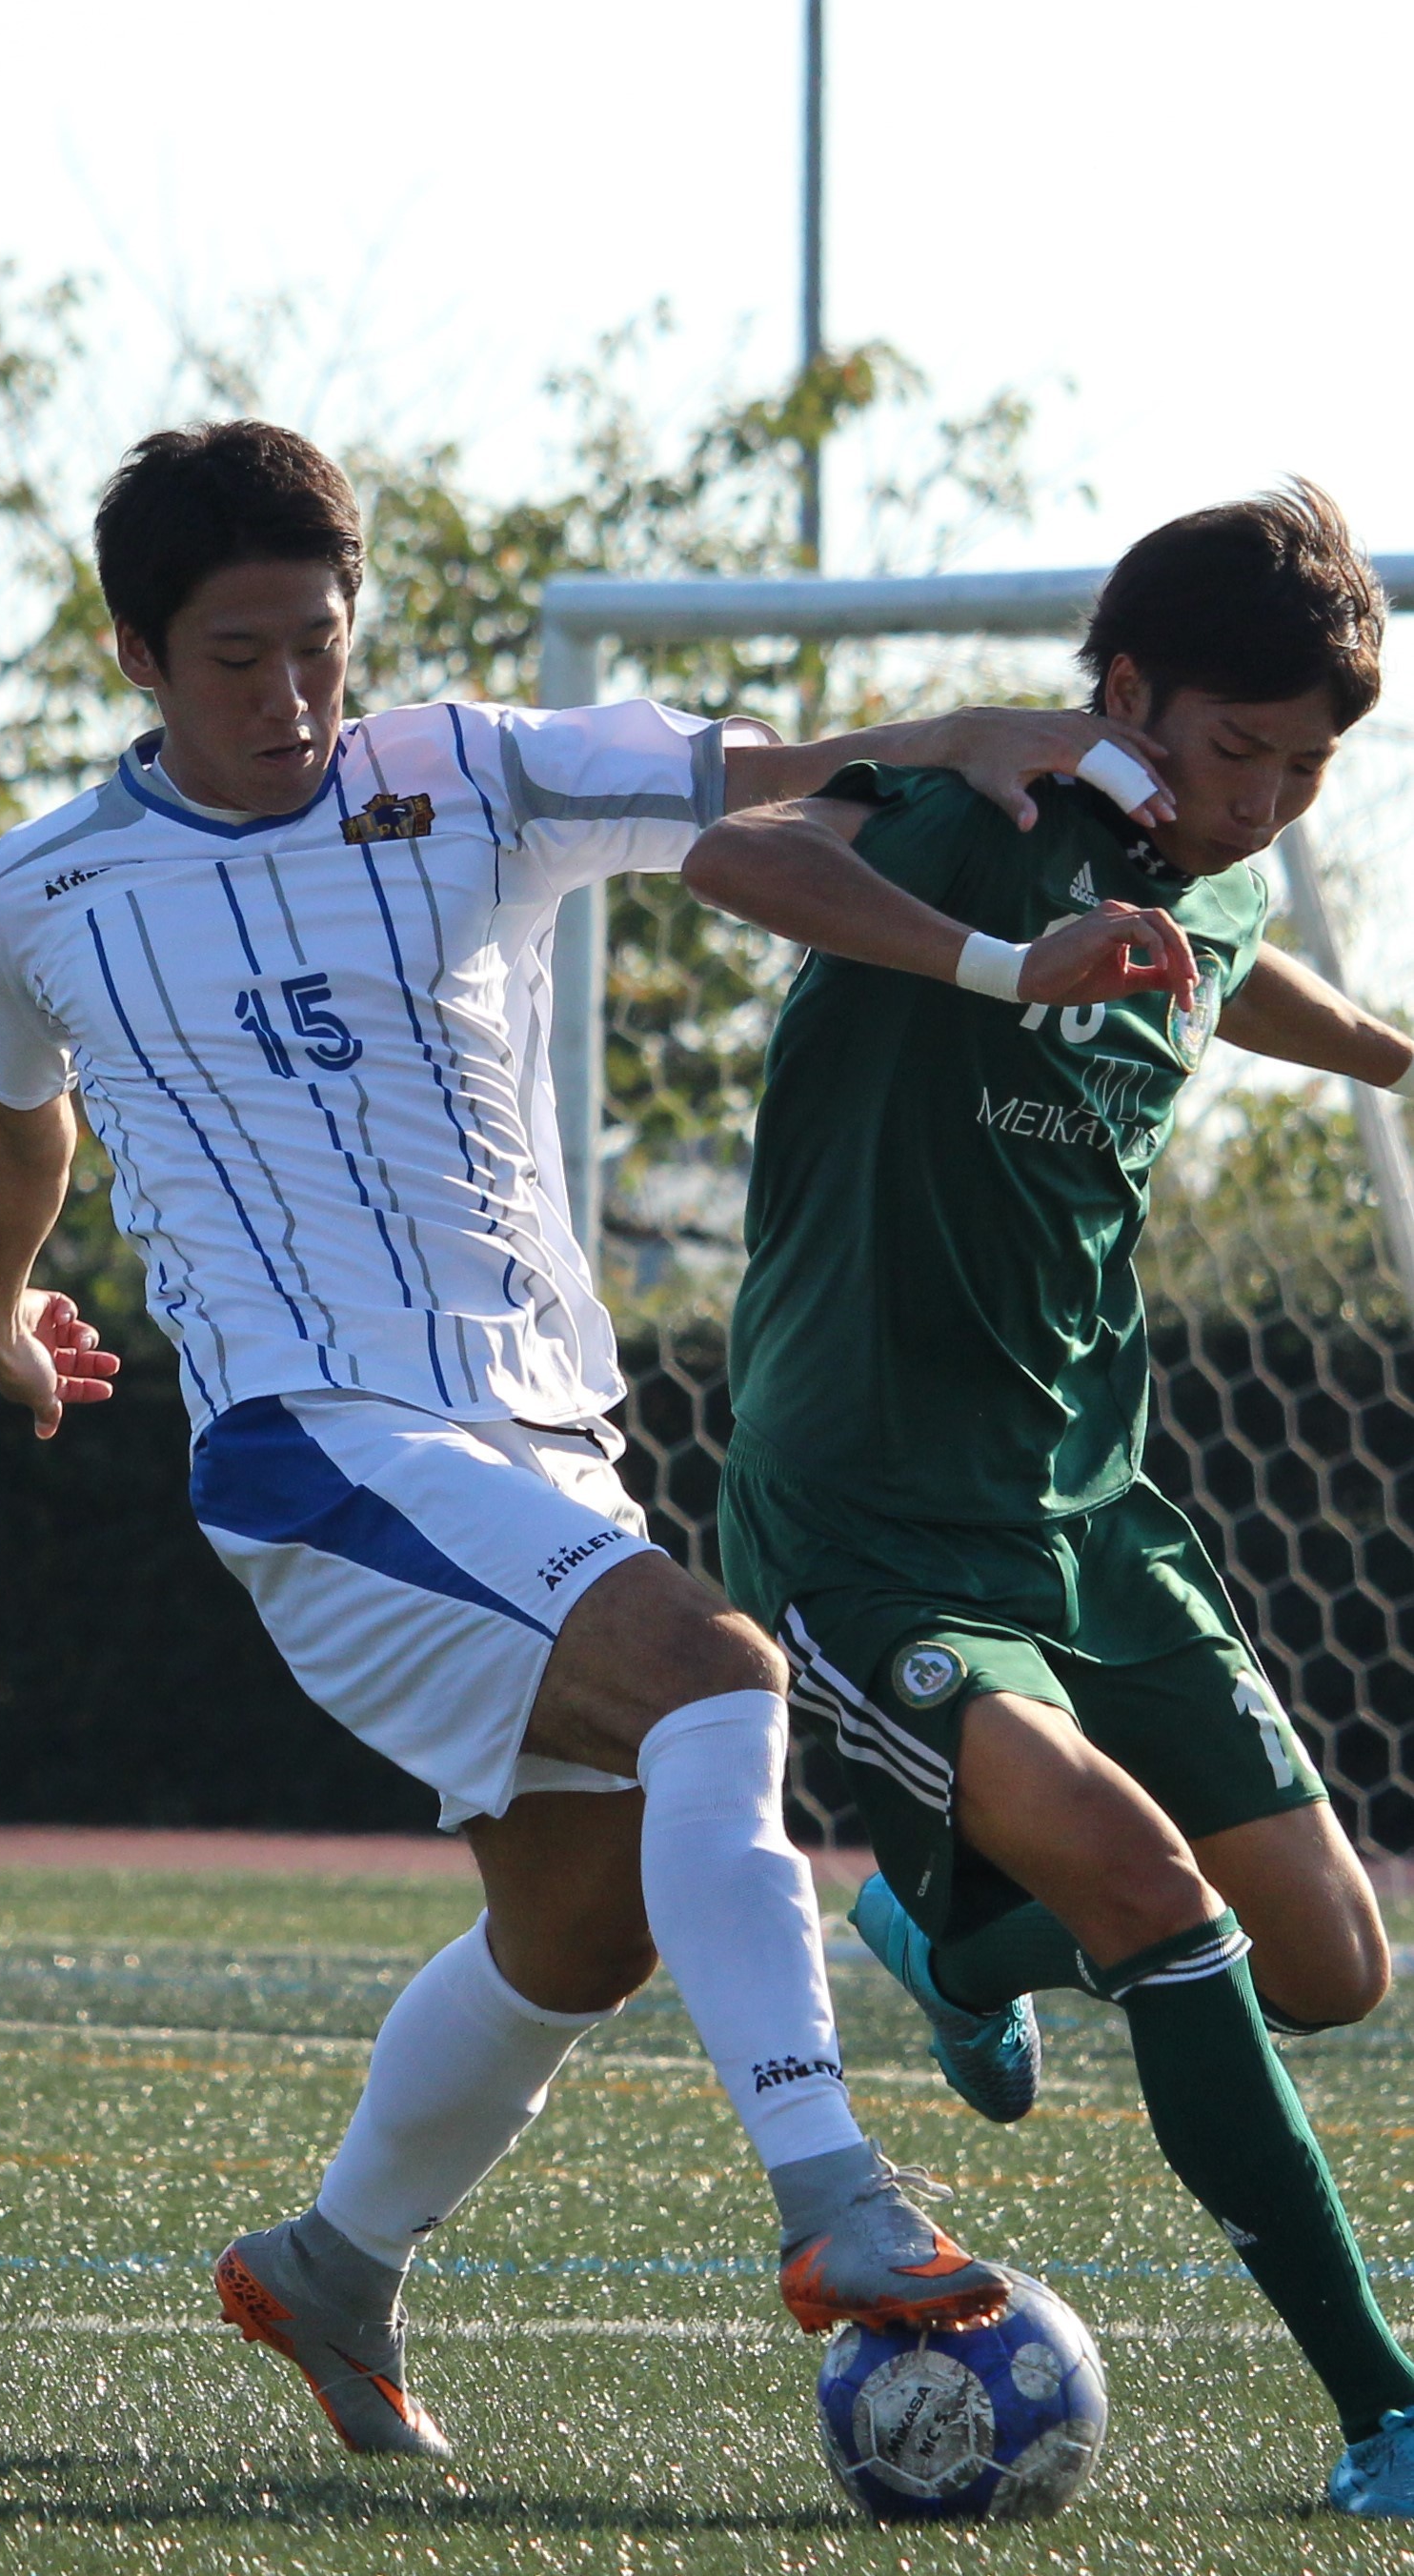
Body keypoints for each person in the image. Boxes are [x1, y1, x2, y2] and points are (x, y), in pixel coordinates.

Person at [0, 416, 1189, 2462]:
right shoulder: (43, 886)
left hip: (538, 1441)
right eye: (239, 656)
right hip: (314, 1446)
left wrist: (976, 794)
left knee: (584, 1917)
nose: (292, 696)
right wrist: (0, 1314)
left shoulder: (464, 768)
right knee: (721, 1669)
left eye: (320, 645)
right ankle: (837, 2200)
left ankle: (331, 2264)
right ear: (135, 658)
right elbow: (16, 1111)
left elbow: (752, 794)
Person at [693, 481, 1414, 2518]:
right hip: (866, 1517)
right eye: (1231, 749)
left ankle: (950, 1935)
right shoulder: (990, 813)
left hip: (1096, 1513)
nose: (1266, 799)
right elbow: (735, 853)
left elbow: (1237, 959)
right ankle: (1386, 2401)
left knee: (1339, 1963)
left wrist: (1389, 1053)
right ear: (1126, 695)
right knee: (1154, 1898)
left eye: (1309, 764)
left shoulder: (1220, 867)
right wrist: (1005, 961)